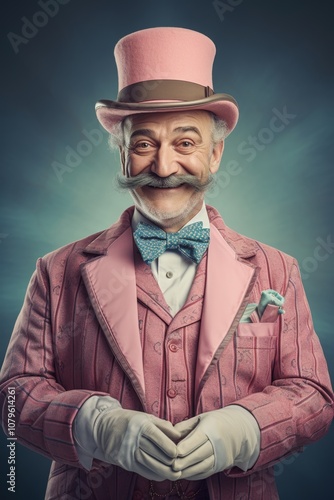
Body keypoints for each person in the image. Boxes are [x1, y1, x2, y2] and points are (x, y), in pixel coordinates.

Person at [0, 27, 333, 500]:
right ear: (121, 152)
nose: (162, 166)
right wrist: (97, 427)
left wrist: (244, 429)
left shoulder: (278, 270)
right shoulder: (57, 271)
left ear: (216, 154)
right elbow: (13, 396)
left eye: (185, 142)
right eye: (143, 144)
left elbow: (314, 396)